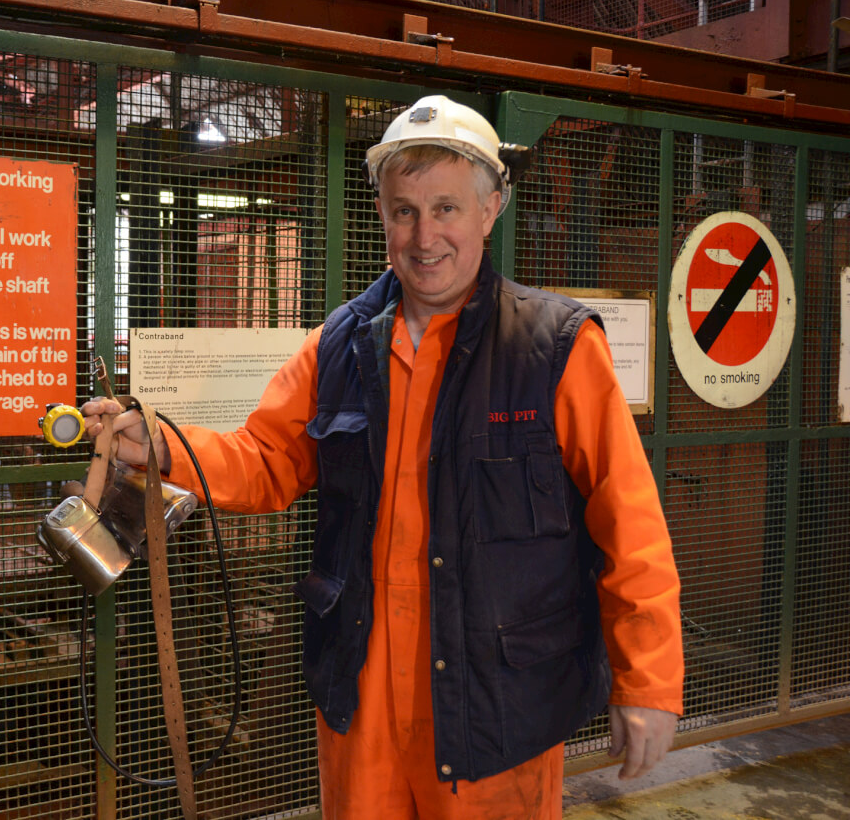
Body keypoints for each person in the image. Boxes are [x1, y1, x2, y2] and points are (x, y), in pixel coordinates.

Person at [83, 94, 683, 820]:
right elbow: (265, 457)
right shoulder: (336, 345)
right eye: (405, 210)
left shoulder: (553, 348)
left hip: (495, 706)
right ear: (382, 215)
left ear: (491, 209)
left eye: (447, 209)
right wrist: (162, 445)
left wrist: (646, 681)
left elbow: (630, 521)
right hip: (363, 696)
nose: (425, 235)